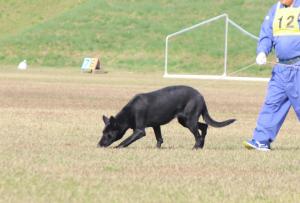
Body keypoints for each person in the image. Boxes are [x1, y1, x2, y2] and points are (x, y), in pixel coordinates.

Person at [243, 0, 300, 151]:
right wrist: (262, 51)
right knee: (272, 103)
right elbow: (267, 33)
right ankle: (261, 140)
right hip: (280, 69)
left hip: (298, 67)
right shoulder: (275, 9)